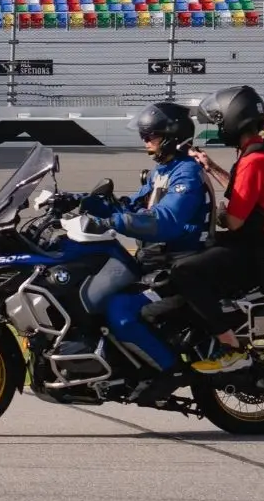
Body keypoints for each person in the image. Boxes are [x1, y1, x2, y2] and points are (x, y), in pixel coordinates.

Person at [154, 85, 264, 368]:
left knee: (185, 270)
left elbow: (234, 220)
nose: (219, 128)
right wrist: (209, 166)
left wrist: (218, 215)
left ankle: (230, 346)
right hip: (261, 244)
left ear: (235, 119)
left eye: (220, 122)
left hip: (257, 251)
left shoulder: (254, 161)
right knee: (189, 255)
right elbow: (244, 193)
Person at [71, 101, 212, 375]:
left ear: (171, 137)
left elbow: (166, 221)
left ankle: (168, 373)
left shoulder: (188, 173)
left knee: (120, 311)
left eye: (150, 136)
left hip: (177, 265)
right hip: (153, 262)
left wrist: (110, 222)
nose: (145, 142)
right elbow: (131, 207)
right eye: (143, 136)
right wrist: (79, 201)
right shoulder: (162, 172)